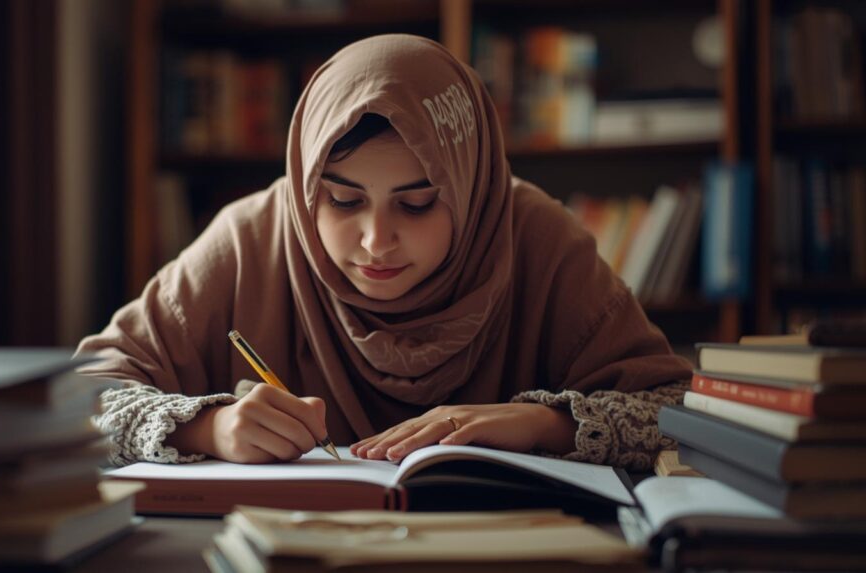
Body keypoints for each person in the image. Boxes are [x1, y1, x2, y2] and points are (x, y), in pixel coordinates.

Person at [77, 34, 692, 470]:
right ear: (306, 190)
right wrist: (208, 426)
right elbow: (83, 396)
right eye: (343, 202)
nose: (376, 240)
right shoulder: (253, 239)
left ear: (471, 190)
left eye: (418, 203)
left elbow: (678, 411)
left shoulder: (535, 238)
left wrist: (544, 423)